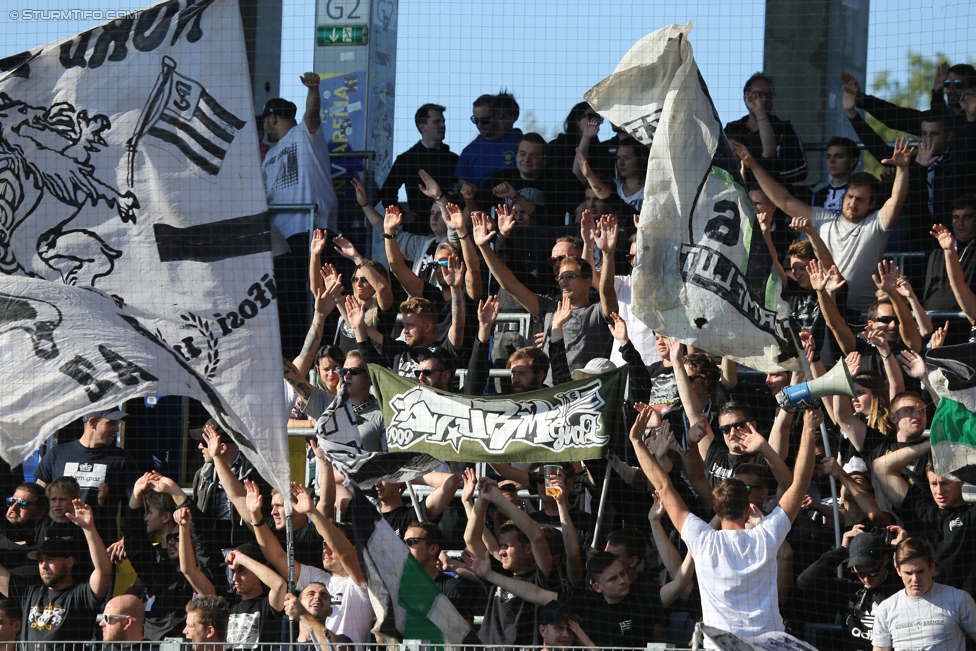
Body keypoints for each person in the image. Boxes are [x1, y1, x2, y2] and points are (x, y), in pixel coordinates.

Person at [631, 402, 820, 644]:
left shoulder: (702, 538)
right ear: (748, 507)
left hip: (722, 647)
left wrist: (637, 442)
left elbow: (663, 486)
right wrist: (808, 428)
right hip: (770, 644)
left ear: (717, 510)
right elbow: (800, 484)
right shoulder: (766, 536)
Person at [731, 137, 913, 311]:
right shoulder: (822, 218)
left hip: (862, 313)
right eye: (849, 197)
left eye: (860, 199)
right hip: (825, 311)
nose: (853, 203)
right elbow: (784, 200)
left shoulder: (877, 224)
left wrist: (903, 168)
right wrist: (752, 164)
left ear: (872, 203)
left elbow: (897, 199)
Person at [472, 212, 618, 374]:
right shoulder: (549, 308)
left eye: (570, 276)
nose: (563, 281)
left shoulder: (597, 311)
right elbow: (510, 284)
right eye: (561, 277)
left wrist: (607, 253)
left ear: (587, 281)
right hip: (549, 393)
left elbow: (606, 289)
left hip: (584, 392)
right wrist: (484, 247)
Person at [260, 73, 340, 359]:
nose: (264, 129)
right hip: (284, 239)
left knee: (317, 299)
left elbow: (313, 114)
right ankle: (296, 358)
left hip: (313, 230)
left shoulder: (304, 134)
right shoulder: (269, 155)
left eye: (264, 122)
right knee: (291, 302)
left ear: (272, 119)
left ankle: (326, 357)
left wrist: (314, 90)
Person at [0, 500, 111, 650]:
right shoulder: (29, 593)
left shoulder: (80, 595)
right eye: (40, 561)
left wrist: (88, 528)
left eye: (50, 559)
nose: (44, 565)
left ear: (69, 562)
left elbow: (103, 571)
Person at [873, 434, 976, 595]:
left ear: (961, 480)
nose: (939, 491)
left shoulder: (971, 515)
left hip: (970, 608)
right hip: (930, 608)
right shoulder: (921, 512)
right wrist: (933, 444)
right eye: (933, 483)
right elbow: (881, 467)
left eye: (945, 483)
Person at [34, 408, 140, 542]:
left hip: (101, 544)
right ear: (92, 423)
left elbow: (136, 502)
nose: (117, 429)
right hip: (58, 542)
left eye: (117, 424)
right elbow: (36, 494)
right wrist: (40, 531)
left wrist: (127, 538)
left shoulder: (121, 458)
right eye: (111, 423)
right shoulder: (57, 454)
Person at [797, 528, 902, 650]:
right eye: (860, 574)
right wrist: (841, 551)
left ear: (884, 560)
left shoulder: (900, 588)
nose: (867, 580)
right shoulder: (851, 589)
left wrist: (899, 549)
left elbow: (915, 574)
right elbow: (806, 581)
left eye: (873, 572)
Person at [872, 537, 976, 651]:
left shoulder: (958, 599)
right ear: (898, 570)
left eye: (920, 571)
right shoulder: (886, 608)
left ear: (932, 567)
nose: (915, 579)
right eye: (908, 573)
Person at [377, 103, 459, 219]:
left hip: (450, 226)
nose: (442, 125)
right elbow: (387, 193)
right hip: (419, 229)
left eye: (443, 121)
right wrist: (402, 215)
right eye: (437, 122)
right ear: (422, 127)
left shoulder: (454, 159)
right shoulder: (406, 159)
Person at [725, 72, 808, 187]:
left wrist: (762, 175)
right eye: (758, 94)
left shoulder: (784, 129)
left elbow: (800, 170)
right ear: (746, 96)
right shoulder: (731, 129)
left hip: (774, 198)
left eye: (769, 95)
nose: (763, 99)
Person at [455, 94, 523, 187]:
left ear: (499, 114)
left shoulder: (520, 142)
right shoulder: (469, 152)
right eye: (475, 120)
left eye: (485, 120)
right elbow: (462, 191)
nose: (479, 125)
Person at [924, 196, 976, 313]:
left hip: (965, 324)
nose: (960, 222)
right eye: (956, 217)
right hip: (934, 322)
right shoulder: (936, 249)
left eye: (967, 217)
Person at [806, 136, 860, 212]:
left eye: (839, 156)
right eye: (828, 157)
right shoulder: (814, 191)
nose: (831, 160)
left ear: (853, 161)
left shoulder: (860, 192)